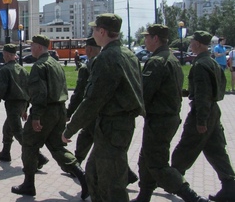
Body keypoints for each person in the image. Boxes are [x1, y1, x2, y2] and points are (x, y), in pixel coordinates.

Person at [62, 14, 144, 201]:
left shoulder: (106, 58)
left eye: (94, 29)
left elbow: (93, 100)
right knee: (94, 175)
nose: (93, 33)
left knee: (112, 184)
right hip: (117, 125)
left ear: (102, 31)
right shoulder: (129, 54)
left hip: (112, 127)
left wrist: (69, 130)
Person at [131, 25, 208, 202]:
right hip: (168, 117)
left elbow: (145, 93)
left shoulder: (157, 61)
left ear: (155, 38)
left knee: (157, 164)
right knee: (146, 159)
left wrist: (129, 108)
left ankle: (192, 197)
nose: (145, 41)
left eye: (147, 37)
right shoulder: (172, 59)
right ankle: (144, 196)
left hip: (159, 119)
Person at [11, 35, 88, 199]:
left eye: (32, 46)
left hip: (44, 111)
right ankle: (82, 176)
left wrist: (36, 116)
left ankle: (28, 184)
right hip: (59, 110)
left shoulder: (39, 66)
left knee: (29, 144)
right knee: (57, 147)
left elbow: (39, 93)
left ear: (39, 47)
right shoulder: (55, 63)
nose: (31, 49)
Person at [171, 31, 235, 202]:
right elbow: (215, 89)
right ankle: (230, 186)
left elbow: (203, 94)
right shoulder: (212, 62)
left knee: (182, 152)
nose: (190, 44)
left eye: (192, 42)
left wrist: (201, 121)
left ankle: (173, 181)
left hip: (202, 112)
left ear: (198, 44)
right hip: (212, 110)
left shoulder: (200, 65)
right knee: (216, 150)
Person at [0, 44, 29, 162]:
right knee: (7, 128)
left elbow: (2, 90)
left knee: (18, 132)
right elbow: (28, 90)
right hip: (22, 104)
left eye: (3, 54)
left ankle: (37, 156)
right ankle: (5, 153)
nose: (3, 56)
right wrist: (25, 108)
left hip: (13, 104)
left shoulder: (5, 70)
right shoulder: (23, 70)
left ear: (7, 54)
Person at [66, 37, 100, 164]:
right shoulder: (107, 62)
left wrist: (69, 113)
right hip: (105, 112)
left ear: (89, 49)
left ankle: (76, 163)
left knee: (86, 135)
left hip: (90, 110)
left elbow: (78, 94)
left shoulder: (86, 68)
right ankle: (77, 162)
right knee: (90, 136)